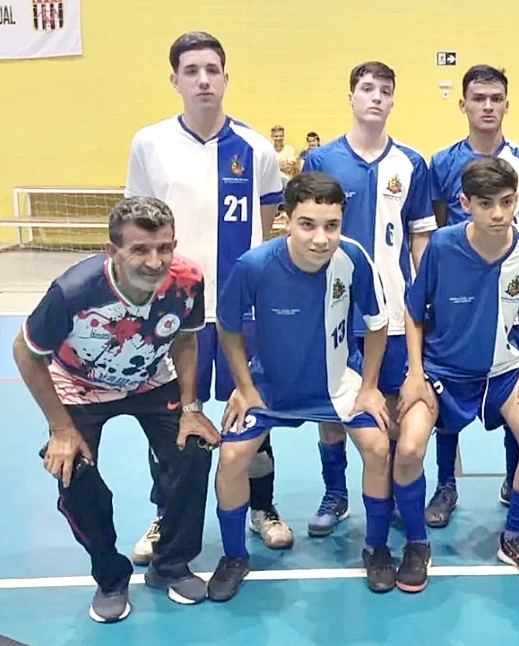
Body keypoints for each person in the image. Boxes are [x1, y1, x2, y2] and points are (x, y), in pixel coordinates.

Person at [124, 31, 291, 562]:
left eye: (212, 70)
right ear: (174, 80)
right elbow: (139, 228)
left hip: (242, 313)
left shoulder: (256, 149)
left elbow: (265, 225)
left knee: (254, 416)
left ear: (225, 78)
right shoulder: (149, 143)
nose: (203, 80)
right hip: (173, 316)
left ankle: (262, 506)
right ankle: (166, 514)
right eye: (191, 71)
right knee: (172, 421)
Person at [12, 196, 220, 622]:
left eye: (164, 247)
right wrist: (61, 429)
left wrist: (191, 407)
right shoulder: (74, 291)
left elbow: (184, 339)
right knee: (73, 474)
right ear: (113, 251)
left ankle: (171, 564)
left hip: (149, 378)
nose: (155, 261)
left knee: (194, 450)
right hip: (79, 386)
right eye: (140, 249)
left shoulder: (187, 281)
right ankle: (110, 576)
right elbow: (25, 351)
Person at [206, 172, 395, 599]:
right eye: (308, 224)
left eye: (332, 225)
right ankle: (234, 556)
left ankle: (377, 548)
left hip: (338, 382)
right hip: (270, 386)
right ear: (287, 220)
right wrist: (244, 387)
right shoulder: (254, 266)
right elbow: (228, 326)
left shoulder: (354, 259)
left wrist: (369, 387)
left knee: (378, 447)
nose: (320, 238)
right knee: (232, 457)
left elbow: (378, 324)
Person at [393, 157, 519, 590]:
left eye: (507, 202)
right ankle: (417, 543)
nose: (498, 213)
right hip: (442, 372)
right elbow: (414, 313)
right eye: (486, 204)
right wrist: (415, 373)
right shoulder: (442, 246)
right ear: (465, 204)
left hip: (504, 371)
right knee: (408, 448)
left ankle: (514, 536)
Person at [302, 61, 436, 538]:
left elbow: (420, 235)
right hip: (335, 308)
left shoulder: (411, 164)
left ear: (393, 100)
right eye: (366, 88)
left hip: (394, 310)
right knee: (332, 407)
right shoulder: (322, 161)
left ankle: (395, 494)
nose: (375, 96)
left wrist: (424, 298)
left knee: (392, 406)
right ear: (351, 97)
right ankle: (335, 493)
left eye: (384, 90)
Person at [426, 64, 519, 528]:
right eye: (478, 98)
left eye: (496, 98)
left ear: (507, 104)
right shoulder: (441, 163)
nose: (488, 106)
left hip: (506, 297)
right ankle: (445, 485)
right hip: (455, 299)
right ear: (463, 104)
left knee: (513, 384)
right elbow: (438, 226)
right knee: (449, 387)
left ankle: (515, 480)